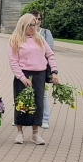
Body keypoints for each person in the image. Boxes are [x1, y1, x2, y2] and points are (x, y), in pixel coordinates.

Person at [8, 14, 59, 145]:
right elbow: (13, 62)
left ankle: (35, 133)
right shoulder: (15, 40)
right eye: (30, 25)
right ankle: (20, 132)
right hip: (23, 74)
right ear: (23, 25)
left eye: (35, 24)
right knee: (22, 103)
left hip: (40, 74)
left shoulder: (40, 39)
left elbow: (50, 55)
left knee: (38, 103)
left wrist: (54, 72)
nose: (33, 27)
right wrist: (23, 78)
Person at [30, 10, 55, 129]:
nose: (37, 21)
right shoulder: (25, 32)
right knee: (27, 91)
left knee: (44, 94)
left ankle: (45, 119)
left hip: (43, 67)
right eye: (35, 18)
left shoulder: (45, 33)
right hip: (29, 67)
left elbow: (50, 49)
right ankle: (26, 116)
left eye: (39, 19)